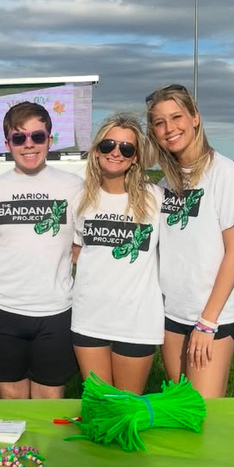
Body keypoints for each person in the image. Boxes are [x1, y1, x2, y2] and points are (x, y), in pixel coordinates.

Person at [145, 83, 234, 399]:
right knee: (180, 410)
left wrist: (207, 322)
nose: (169, 128)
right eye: (159, 123)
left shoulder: (224, 172)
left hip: (210, 317)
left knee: (203, 415)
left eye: (176, 117)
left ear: (195, 118)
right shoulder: (166, 182)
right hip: (172, 314)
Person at [0, 101, 83, 400]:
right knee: (11, 401)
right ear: (7, 141)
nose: (29, 145)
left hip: (55, 310)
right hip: (2, 308)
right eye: (19, 137)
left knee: (49, 401)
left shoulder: (74, 187)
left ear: (50, 139)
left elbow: (83, 246)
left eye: (37, 137)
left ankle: (46, 450)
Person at [71, 114, 163, 394]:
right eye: (109, 145)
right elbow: (76, 252)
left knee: (125, 410)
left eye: (126, 148)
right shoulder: (79, 198)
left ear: (135, 157)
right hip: (89, 318)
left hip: (137, 320)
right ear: (96, 149)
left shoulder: (155, 198)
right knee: (100, 408)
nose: (116, 153)